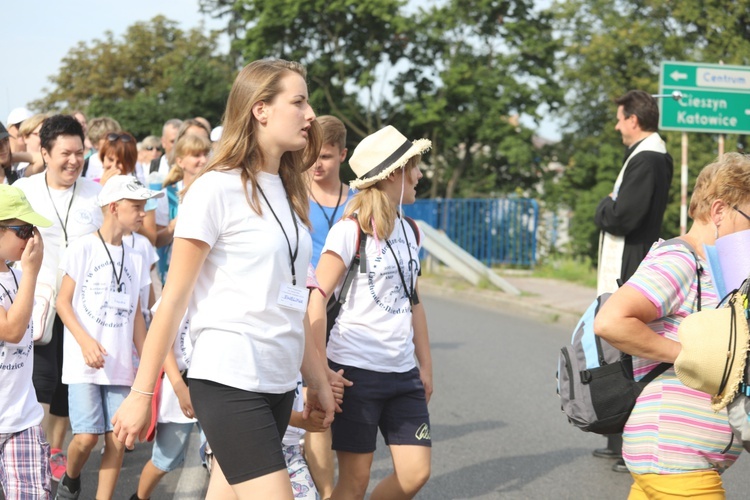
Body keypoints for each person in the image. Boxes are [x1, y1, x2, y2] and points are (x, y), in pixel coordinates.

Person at [111, 59, 336, 499]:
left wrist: (316, 378)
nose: (310, 115)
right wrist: (142, 393)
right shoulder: (215, 189)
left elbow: (290, 300)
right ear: (260, 110)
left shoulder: (287, 191)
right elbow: (173, 300)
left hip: (276, 382)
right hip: (229, 380)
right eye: (299, 101)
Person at [594, 152, 750, 498]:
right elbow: (611, 321)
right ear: (720, 211)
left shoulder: (717, 267)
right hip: (676, 460)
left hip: (672, 458)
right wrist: (692, 357)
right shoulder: (680, 259)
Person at [308, 125, 434, 500]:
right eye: (415, 167)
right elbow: (316, 298)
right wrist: (321, 370)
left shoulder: (412, 231)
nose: (420, 175)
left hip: (403, 374)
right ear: (395, 173)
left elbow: (414, 301)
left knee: (415, 475)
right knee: (354, 481)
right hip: (355, 373)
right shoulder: (350, 231)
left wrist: (425, 366)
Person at [54, 175, 161, 500]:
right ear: (113, 208)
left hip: (121, 363)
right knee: (85, 438)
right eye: (137, 207)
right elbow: (62, 302)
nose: (144, 213)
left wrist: (148, 364)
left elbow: (139, 316)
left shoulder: (140, 249)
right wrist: (85, 342)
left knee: (118, 439)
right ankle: (71, 479)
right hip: (84, 362)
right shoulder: (83, 246)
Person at [13, 114, 104, 483]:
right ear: (45, 153)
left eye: (79, 153)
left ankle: (54, 448)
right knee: (41, 380)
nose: (73, 161)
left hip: (82, 306)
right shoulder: (25, 191)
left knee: (69, 382)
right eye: (65, 153)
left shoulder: (96, 194)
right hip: (36, 302)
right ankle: (36, 448)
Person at [593, 90, 673, 472]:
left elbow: (623, 214)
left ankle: (631, 445)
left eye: (620, 117)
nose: (616, 125)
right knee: (619, 355)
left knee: (630, 357)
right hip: (631, 262)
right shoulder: (645, 154)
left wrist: (603, 206)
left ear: (634, 121)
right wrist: (610, 204)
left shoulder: (649, 158)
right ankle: (618, 440)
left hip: (633, 266)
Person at [0, 185, 53, 499]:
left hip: (23, 418)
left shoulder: (19, 276)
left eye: (32, 229)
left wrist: (28, 273)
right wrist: (32, 271)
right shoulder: (26, 275)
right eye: (22, 230)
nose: (32, 239)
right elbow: (11, 331)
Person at [154, 134, 211, 284]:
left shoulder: (216, 192)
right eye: (196, 155)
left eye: (206, 154)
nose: (203, 160)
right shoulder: (168, 194)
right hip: (177, 275)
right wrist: (174, 225)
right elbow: (157, 241)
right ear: (180, 161)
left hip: (209, 275)